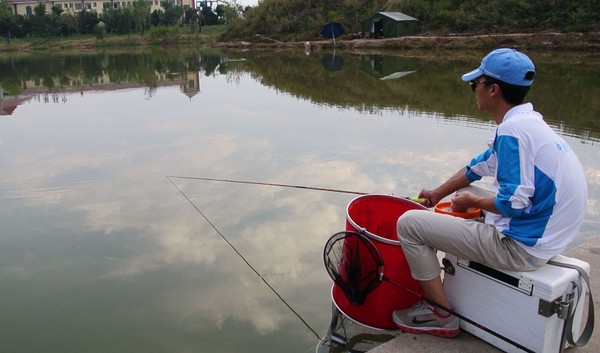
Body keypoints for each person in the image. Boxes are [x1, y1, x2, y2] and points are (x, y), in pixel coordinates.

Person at [392, 48, 588, 338]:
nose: (474, 90)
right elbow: (476, 167)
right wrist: (437, 193)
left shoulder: (513, 132)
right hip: (543, 238)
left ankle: (441, 314)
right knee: (463, 191)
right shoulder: (527, 124)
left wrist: (472, 201)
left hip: (521, 249)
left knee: (408, 224)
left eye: (476, 84)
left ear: (493, 89)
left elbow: (514, 204)